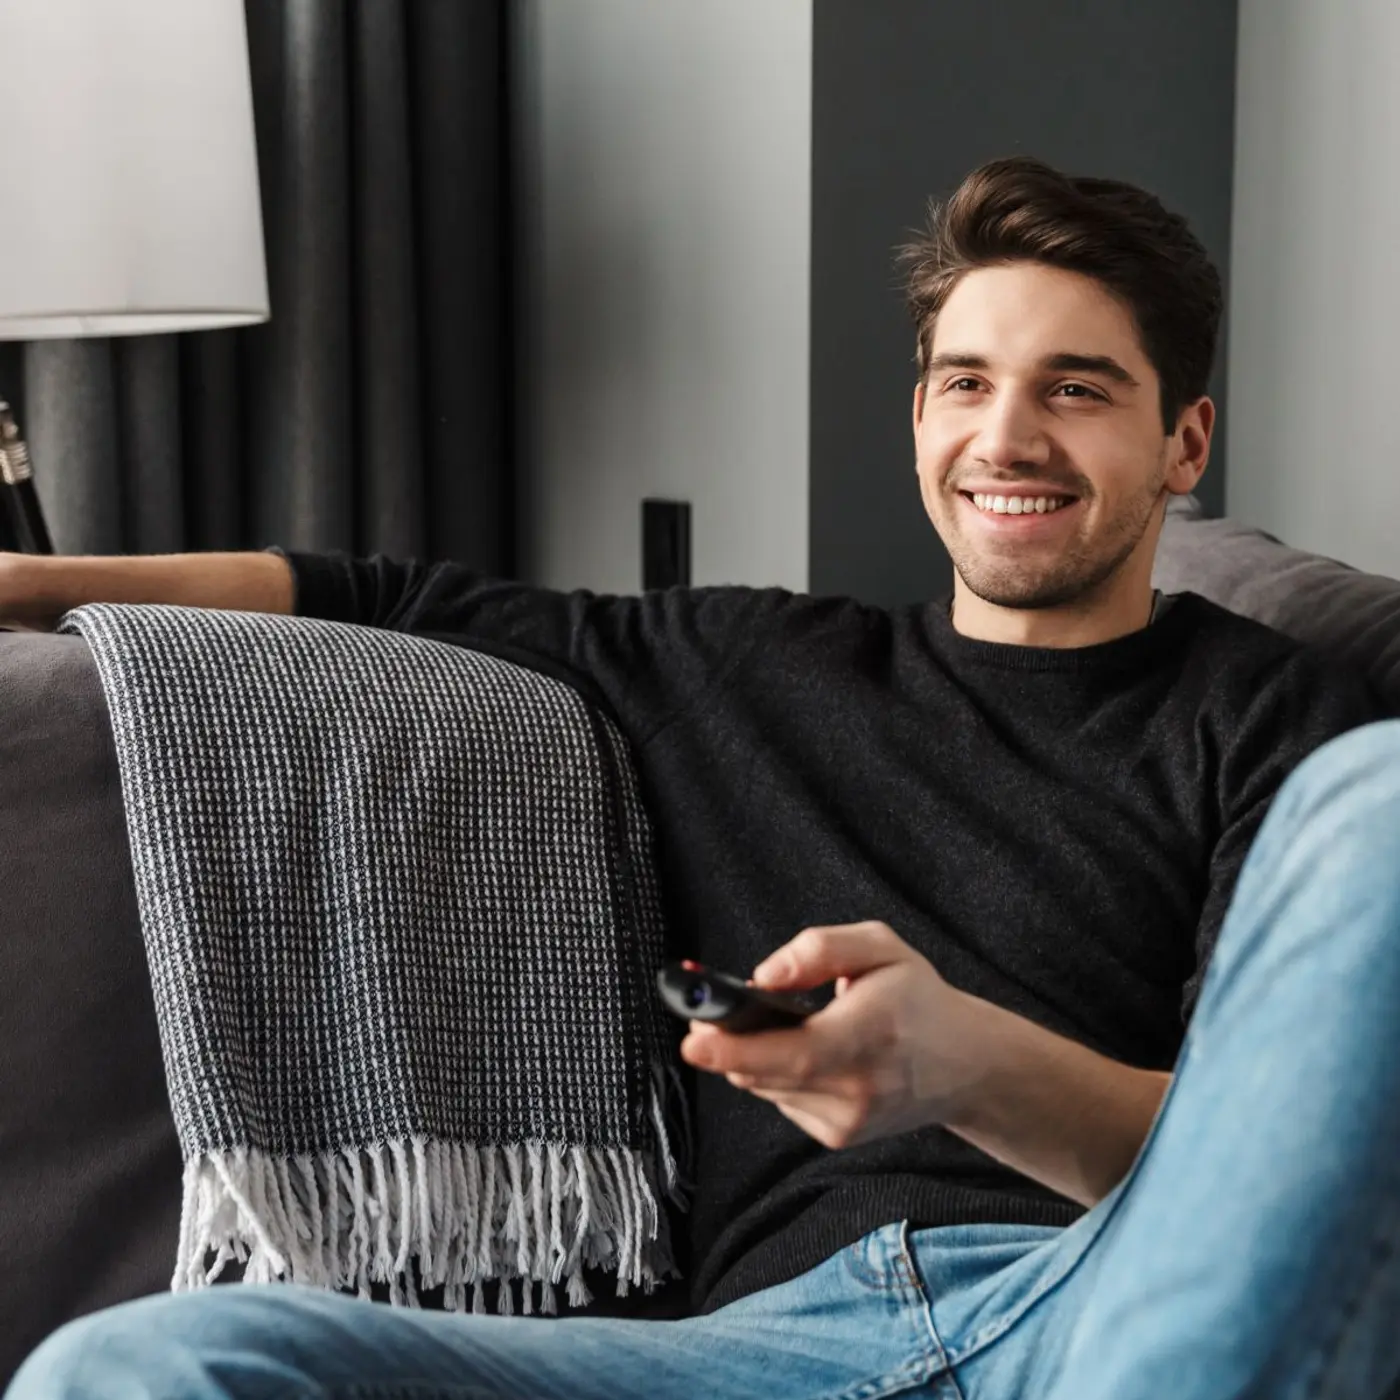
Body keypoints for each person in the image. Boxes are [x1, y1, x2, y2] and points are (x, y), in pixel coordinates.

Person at [5, 155, 1399, 1400]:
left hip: (1097, 1309)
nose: (1008, 437)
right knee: (134, 1364)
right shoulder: (747, 661)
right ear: (919, 420)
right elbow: (373, 591)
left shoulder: (1280, 723)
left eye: (1077, 390)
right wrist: (31, 582)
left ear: (1185, 446)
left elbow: (1276, 1170)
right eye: (966, 383)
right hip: (757, 1352)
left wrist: (961, 1066)